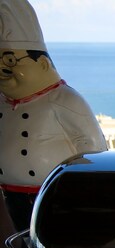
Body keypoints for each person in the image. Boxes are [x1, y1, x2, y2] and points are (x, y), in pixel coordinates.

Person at [0, 0, 107, 233]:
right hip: (9, 197)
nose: (3, 70)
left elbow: (93, 151)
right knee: (21, 242)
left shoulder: (65, 99)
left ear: (43, 64)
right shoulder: (3, 102)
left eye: (10, 60)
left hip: (56, 195)